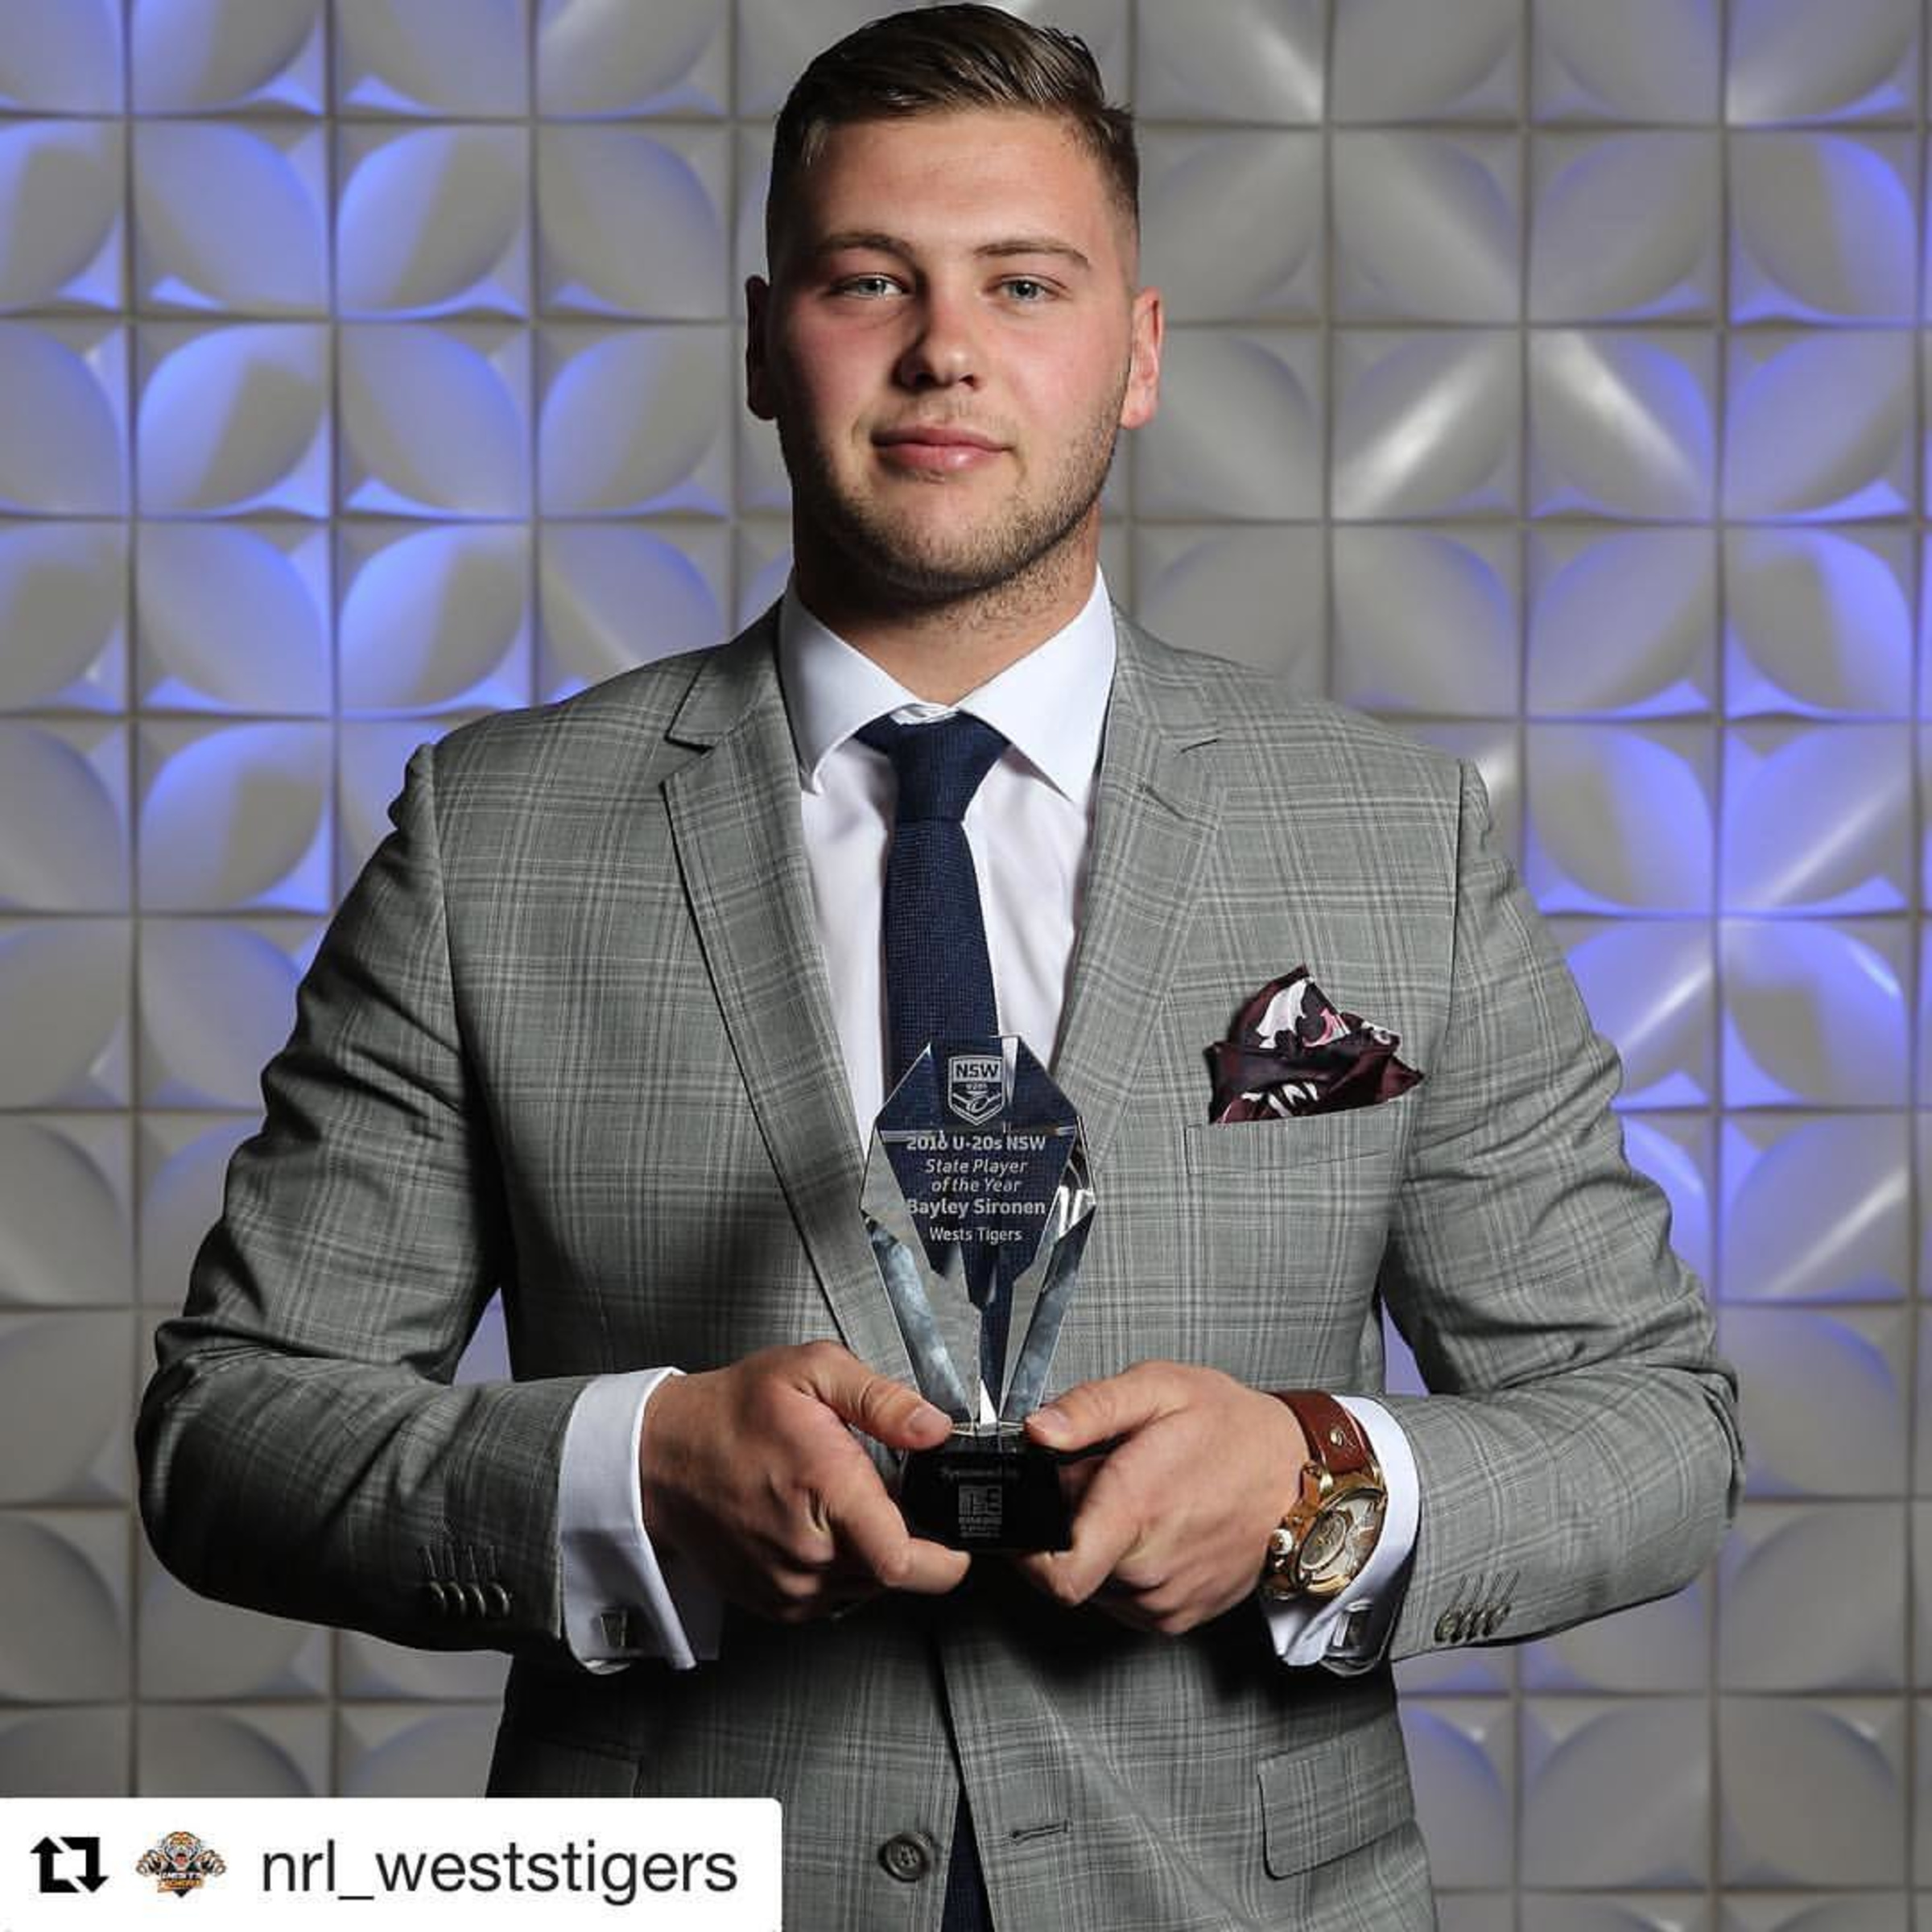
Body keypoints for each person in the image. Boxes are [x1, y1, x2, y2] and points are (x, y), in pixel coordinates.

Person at [137, 9, 1742, 1928]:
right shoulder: (497, 835)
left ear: (1136, 353)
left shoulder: (1396, 839)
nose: (944, 350)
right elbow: (234, 1432)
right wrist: (632, 1468)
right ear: (760, 339)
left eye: (1025, 283)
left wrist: (1318, 1480)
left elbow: (1649, 1428)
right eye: (866, 280)